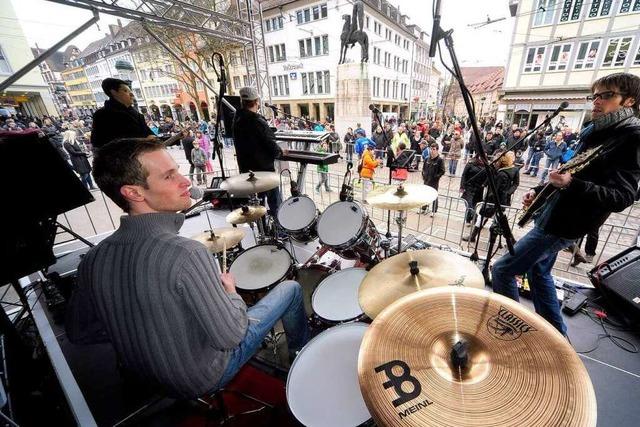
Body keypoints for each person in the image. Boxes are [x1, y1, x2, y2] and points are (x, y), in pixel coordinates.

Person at [65, 138, 310, 399]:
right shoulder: (186, 254)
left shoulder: (94, 258)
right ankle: (301, 355)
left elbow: (80, 332)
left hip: (139, 376)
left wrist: (143, 331)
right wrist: (231, 295)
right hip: (199, 377)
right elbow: (231, 336)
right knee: (291, 289)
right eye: (169, 176)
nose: (185, 182)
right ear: (134, 193)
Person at [491, 73, 640, 335]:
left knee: (502, 270)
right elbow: (572, 170)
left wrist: (571, 184)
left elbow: (623, 197)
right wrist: (539, 191)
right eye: (595, 95)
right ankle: (556, 336)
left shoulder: (630, 137)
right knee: (539, 271)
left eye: (606, 95)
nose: (597, 101)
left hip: (564, 224)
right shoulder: (596, 130)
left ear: (629, 101)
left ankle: (511, 331)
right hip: (554, 213)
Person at [232, 87, 284, 215]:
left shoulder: (236, 120)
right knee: (275, 203)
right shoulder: (256, 120)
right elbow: (269, 142)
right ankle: (279, 231)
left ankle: (263, 230)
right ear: (256, 102)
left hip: (248, 171)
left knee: (256, 205)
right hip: (264, 170)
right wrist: (280, 152)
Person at [90, 78, 154, 151]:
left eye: (131, 91)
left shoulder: (136, 113)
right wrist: (143, 142)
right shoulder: (102, 115)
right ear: (114, 92)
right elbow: (98, 142)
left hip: (143, 155)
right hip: (122, 160)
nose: (132, 94)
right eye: (125, 91)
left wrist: (151, 136)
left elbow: (147, 131)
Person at [420, 142, 445, 216]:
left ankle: (434, 211)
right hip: (426, 180)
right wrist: (423, 175)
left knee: (434, 196)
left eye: (434, 149)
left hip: (434, 181)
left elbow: (442, 171)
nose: (432, 151)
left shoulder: (440, 160)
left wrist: (436, 177)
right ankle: (423, 208)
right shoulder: (427, 159)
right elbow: (423, 168)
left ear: (437, 150)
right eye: (431, 149)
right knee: (425, 195)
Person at [460, 156, 486, 226]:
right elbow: (464, 175)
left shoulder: (486, 165)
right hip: (469, 187)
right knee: (469, 203)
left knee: (474, 204)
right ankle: (476, 218)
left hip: (479, 189)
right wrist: (462, 186)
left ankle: (468, 220)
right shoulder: (471, 163)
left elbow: (487, 178)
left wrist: (484, 184)